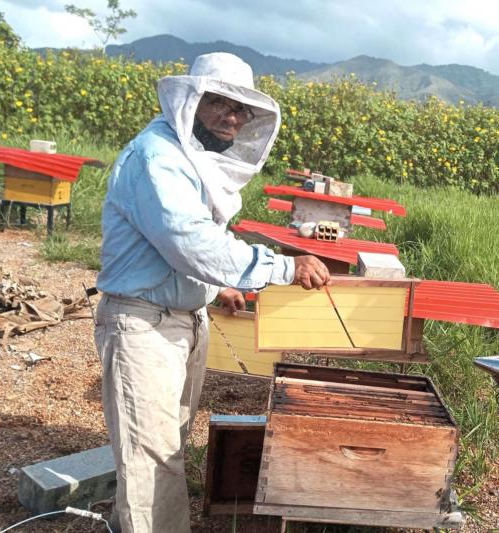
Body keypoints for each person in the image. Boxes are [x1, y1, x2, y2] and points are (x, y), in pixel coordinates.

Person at [94, 52, 330, 532]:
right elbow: (188, 240)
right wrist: (282, 267)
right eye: (220, 102)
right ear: (191, 100)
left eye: (242, 109)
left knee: (164, 444)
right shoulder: (157, 156)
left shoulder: (188, 154)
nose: (234, 117)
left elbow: (190, 241)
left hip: (180, 320)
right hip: (143, 323)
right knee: (152, 458)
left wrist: (216, 283)